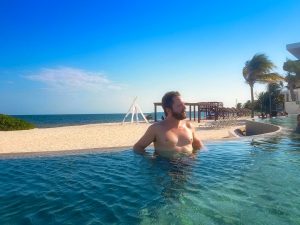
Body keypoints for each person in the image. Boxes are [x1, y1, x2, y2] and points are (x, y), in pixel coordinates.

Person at [133, 91, 204, 158]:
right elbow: (137, 148)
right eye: (179, 105)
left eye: (184, 104)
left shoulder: (189, 126)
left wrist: (195, 155)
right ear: (168, 110)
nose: (184, 107)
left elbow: (198, 145)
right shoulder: (156, 128)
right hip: (166, 167)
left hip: (188, 167)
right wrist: (151, 159)